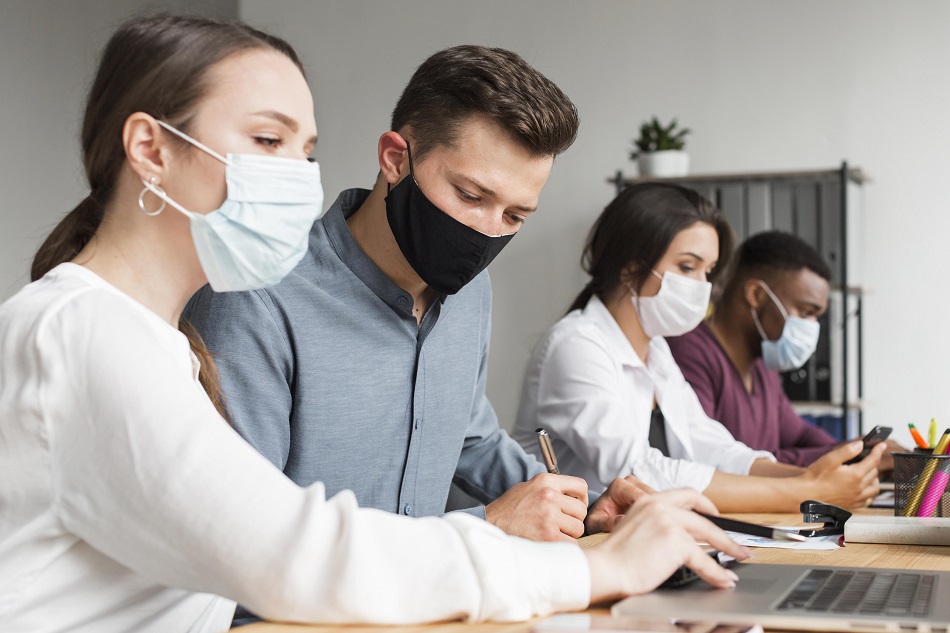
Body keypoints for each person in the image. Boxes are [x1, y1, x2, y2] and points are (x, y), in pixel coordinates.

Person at [0, 14, 751, 632]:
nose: (296, 177)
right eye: (268, 141)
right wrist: (594, 564)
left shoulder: (146, 339)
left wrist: (586, 511)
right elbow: (291, 552)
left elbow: (453, 448)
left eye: (307, 150)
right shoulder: (83, 334)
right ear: (150, 148)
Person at [183, 45, 645, 552]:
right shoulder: (257, 300)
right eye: (470, 195)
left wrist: (583, 506)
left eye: (515, 216)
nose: (487, 233)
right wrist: (485, 527)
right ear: (395, 158)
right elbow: (245, 531)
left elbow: (471, 439)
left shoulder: (471, 292)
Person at [513, 183, 885, 513]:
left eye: (708, 270)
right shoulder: (578, 345)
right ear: (629, 268)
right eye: (688, 266)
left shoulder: (656, 351)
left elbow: (713, 447)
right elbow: (639, 471)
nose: (702, 285)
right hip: (574, 548)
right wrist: (806, 492)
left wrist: (813, 478)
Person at [666, 231, 905, 470]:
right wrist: (844, 456)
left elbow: (798, 434)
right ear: (756, 295)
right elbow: (721, 464)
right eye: (805, 312)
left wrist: (855, 450)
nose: (811, 327)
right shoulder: (687, 353)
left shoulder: (761, 363)